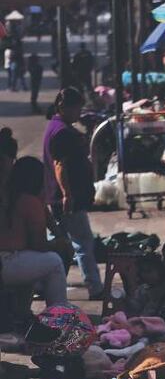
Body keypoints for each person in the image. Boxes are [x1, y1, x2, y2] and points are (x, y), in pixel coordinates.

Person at [43, 88, 103, 299]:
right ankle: (95, 287)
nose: (79, 112)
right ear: (63, 107)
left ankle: (43, 284)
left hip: (60, 197)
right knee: (83, 243)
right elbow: (60, 165)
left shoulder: (56, 127)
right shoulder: (62, 132)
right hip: (68, 199)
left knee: (59, 242)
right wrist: (67, 194)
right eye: (77, 108)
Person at [0, 154, 69, 306]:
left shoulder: (8, 195)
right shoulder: (29, 201)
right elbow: (39, 245)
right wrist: (58, 244)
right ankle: (59, 312)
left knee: (39, 263)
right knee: (54, 262)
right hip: (7, 263)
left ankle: (23, 308)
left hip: (7, 261)